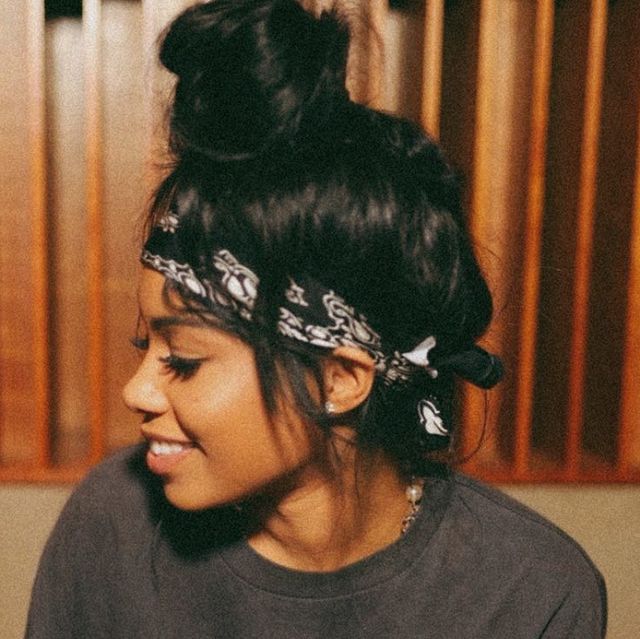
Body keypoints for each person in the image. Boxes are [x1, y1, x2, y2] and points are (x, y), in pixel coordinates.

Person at [26, 1, 606, 637]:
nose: (135, 390)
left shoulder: (531, 594)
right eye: (145, 343)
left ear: (337, 378)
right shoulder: (112, 525)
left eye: (183, 360)